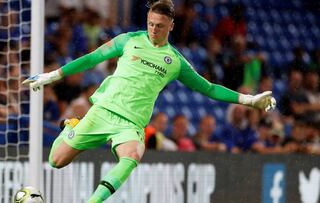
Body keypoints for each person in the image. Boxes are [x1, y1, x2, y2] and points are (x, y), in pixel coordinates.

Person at [22, 1, 276, 202]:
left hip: (130, 123)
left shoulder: (175, 61)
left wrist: (250, 100)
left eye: (160, 26)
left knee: (133, 154)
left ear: (171, 26)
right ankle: (71, 126)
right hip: (101, 112)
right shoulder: (128, 40)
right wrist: (52, 75)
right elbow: (91, 58)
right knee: (56, 161)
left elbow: (208, 88)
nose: (154, 29)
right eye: (151, 23)